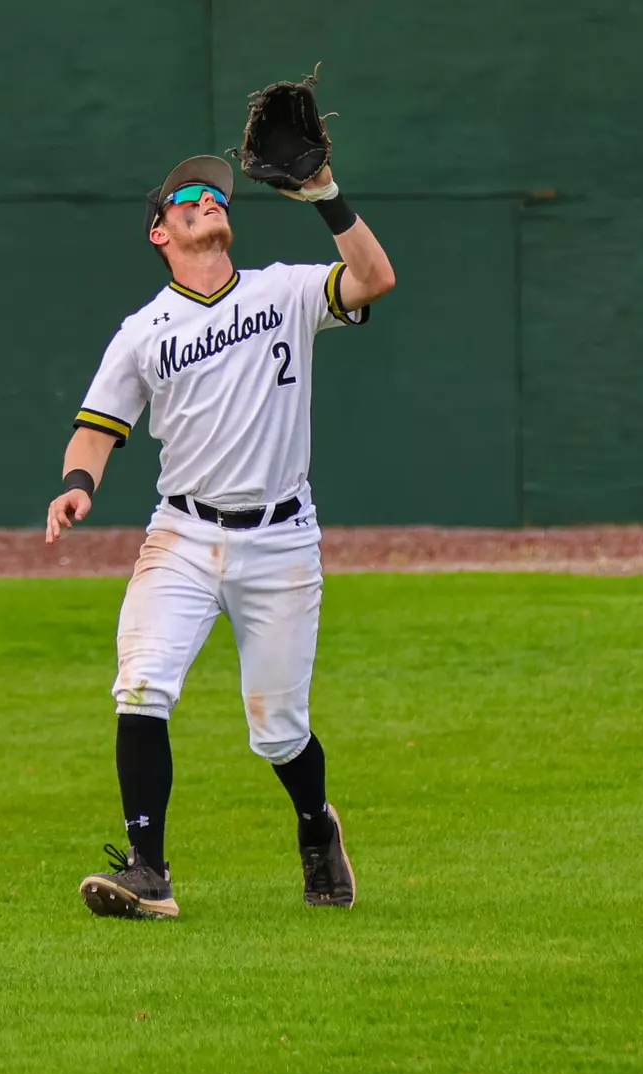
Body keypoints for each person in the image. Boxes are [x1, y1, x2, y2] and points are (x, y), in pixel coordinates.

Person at [44, 152, 396, 918]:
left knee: (278, 731)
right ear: (159, 232)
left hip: (282, 539)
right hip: (183, 533)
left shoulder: (286, 290)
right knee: (142, 683)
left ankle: (314, 825)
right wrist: (77, 486)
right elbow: (95, 430)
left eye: (216, 194)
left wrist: (327, 196)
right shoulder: (143, 333)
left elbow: (374, 280)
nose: (208, 200)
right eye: (188, 198)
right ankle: (148, 871)